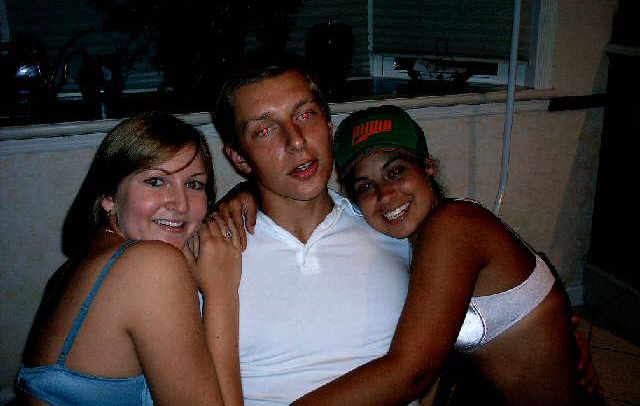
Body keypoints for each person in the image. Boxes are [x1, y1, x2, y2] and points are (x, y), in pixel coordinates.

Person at [286, 104, 606, 405]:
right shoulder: (411, 239)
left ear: (428, 167)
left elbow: (412, 373)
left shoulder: (453, 224)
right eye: (365, 186)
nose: (385, 194)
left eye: (396, 171)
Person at [211, 55, 415, 405]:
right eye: (265, 129)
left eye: (306, 115)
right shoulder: (214, 250)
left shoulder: (395, 227)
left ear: (330, 127)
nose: (296, 140)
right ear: (240, 158)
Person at [16, 111, 241, 406]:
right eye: (156, 181)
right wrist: (222, 293)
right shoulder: (151, 264)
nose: (181, 204)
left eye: (194, 184)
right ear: (109, 197)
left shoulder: (77, 265)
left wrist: (244, 192)